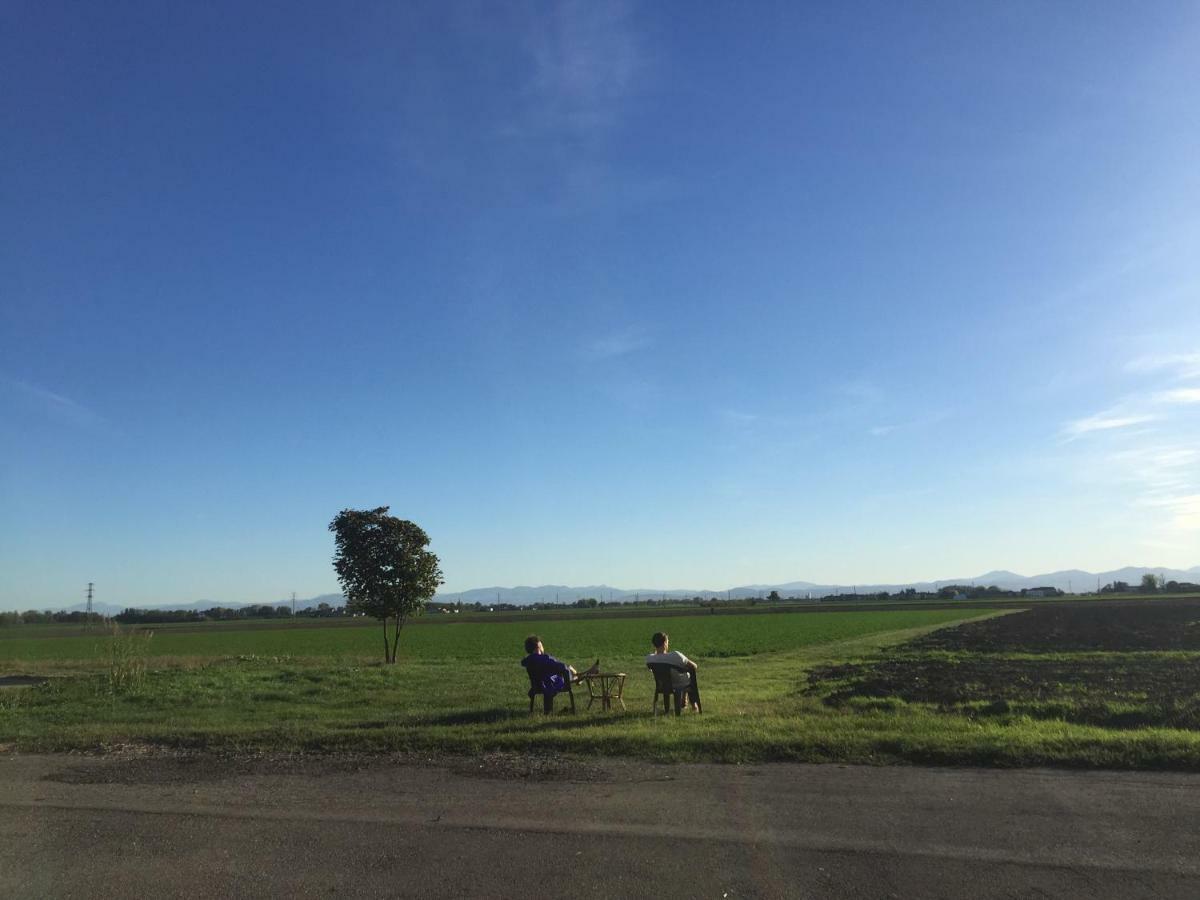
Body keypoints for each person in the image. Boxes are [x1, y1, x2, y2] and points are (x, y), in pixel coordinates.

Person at [520, 635, 599, 702]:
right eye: (542, 646)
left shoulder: (529, 660)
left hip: (537, 685)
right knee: (568, 670)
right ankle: (585, 675)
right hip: (552, 683)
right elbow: (561, 667)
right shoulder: (544, 659)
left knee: (570, 669)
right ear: (538, 647)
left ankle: (583, 675)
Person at [645, 631, 699, 712]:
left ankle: (684, 701)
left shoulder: (649, 658)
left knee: (686, 676)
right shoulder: (675, 655)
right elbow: (694, 666)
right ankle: (694, 706)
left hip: (662, 684)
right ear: (664, 643)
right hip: (677, 683)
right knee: (689, 676)